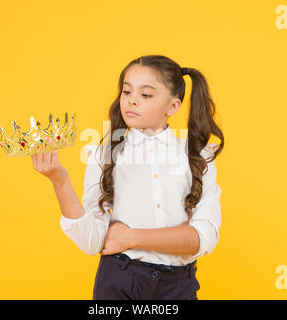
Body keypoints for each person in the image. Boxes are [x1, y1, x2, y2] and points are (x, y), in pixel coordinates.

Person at [31, 54, 224, 300]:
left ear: (172, 106)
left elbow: (202, 238)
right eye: (126, 92)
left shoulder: (198, 157)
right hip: (120, 281)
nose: (132, 101)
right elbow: (93, 242)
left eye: (145, 95)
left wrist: (131, 237)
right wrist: (59, 180)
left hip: (178, 287)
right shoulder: (105, 154)